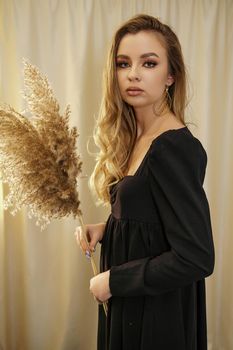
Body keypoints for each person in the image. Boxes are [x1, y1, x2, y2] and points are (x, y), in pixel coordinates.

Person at [75, 13, 215, 350]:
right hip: (131, 303)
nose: (133, 74)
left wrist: (114, 281)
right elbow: (155, 220)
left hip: (155, 314)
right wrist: (107, 228)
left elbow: (196, 256)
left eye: (148, 63)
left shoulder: (174, 148)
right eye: (123, 63)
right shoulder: (138, 136)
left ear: (170, 75)